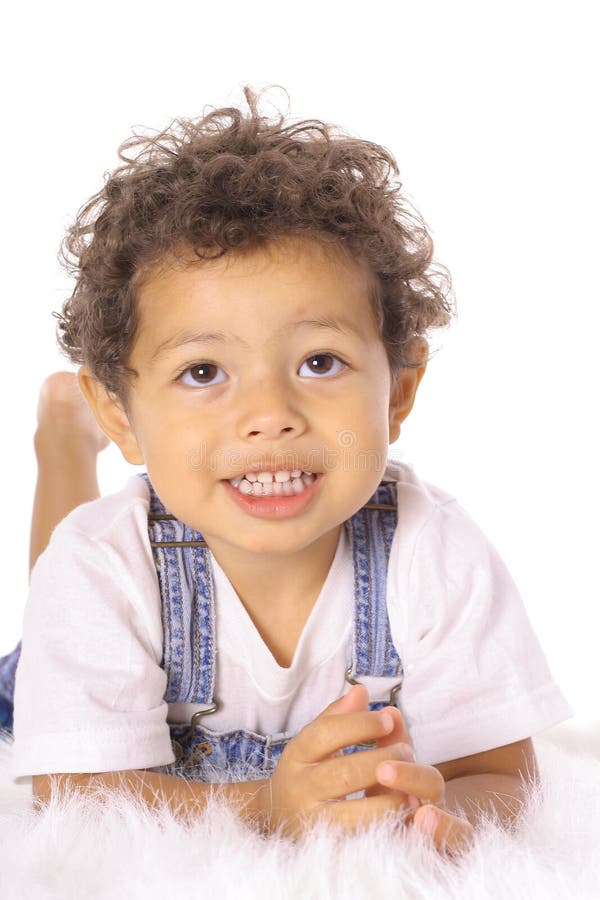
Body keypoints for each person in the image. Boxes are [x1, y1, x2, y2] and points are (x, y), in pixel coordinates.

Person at [1, 86, 572, 855]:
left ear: (398, 393)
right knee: (54, 579)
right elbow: (80, 796)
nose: (270, 414)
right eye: (203, 371)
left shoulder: (435, 552)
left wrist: (444, 818)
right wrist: (271, 806)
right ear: (122, 414)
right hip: (73, 644)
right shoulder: (102, 567)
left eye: (319, 361)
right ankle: (64, 440)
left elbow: (500, 774)